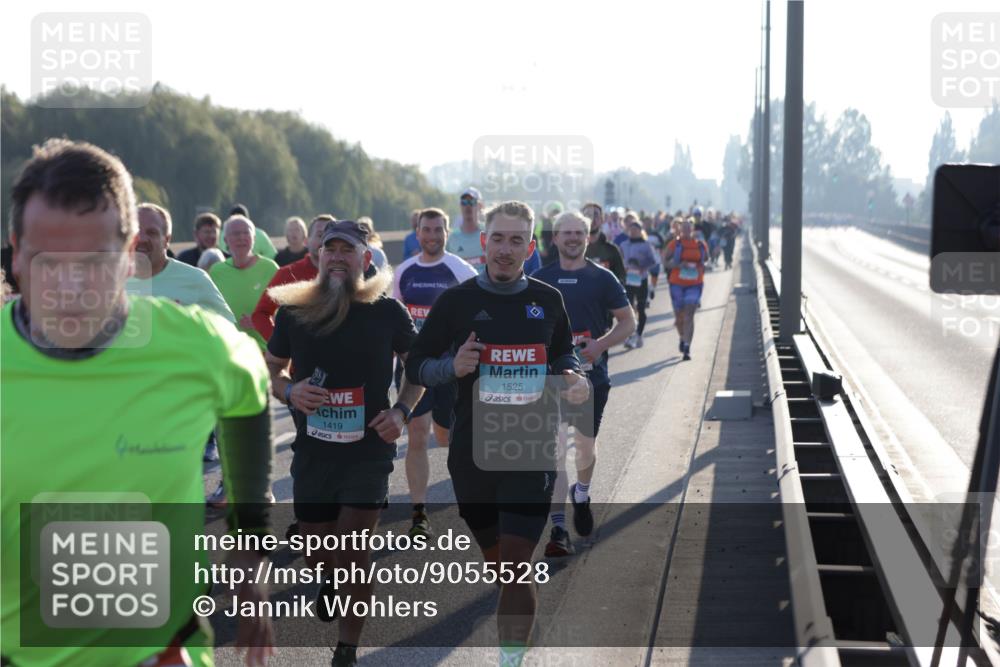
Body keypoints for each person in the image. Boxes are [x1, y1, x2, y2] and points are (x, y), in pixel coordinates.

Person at [1, 138, 275, 667]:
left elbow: (250, 388)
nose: (70, 285)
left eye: (94, 262)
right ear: (14, 251)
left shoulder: (196, 345)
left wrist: (248, 553)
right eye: (46, 261)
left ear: (130, 256)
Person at [407, 200, 589, 667]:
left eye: (516, 241)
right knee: (503, 571)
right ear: (483, 243)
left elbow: (563, 352)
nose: (506, 250)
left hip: (530, 450)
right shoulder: (457, 301)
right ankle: (519, 636)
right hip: (471, 457)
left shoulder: (548, 300)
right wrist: (453, 366)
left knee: (514, 565)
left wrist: (573, 375)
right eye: (498, 239)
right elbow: (416, 365)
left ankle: (511, 659)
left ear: (530, 248)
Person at [264, 219, 424, 667]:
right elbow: (272, 368)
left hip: (368, 449)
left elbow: (418, 369)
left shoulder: (387, 312)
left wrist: (401, 412)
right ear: (318, 257)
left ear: (365, 259)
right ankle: (328, 575)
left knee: (356, 549)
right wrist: (290, 391)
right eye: (329, 249)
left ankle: (346, 647)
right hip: (313, 453)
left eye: (346, 250)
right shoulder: (294, 312)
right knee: (319, 548)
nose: (336, 257)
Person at [533, 211, 635, 556]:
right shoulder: (540, 278)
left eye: (580, 232)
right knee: (556, 449)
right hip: (552, 380)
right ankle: (558, 528)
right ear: (556, 238)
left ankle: (583, 492)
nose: (573, 238)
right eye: (566, 233)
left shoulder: (602, 278)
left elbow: (627, 322)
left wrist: (599, 346)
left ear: (589, 236)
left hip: (593, 378)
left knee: (585, 447)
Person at [392, 208, 477, 537]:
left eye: (437, 230)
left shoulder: (460, 269)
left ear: (447, 233)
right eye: (426, 229)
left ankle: (466, 488)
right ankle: (419, 513)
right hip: (414, 367)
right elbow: (396, 321)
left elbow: (477, 310)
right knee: (416, 435)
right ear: (418, 231)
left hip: (451, 369)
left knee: (444, 437)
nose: (431, 235)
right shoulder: (404, 272)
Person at [128, 203, 234, 322]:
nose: (141, 238)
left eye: (152, 233)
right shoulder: (108, 281)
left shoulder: (196, 280)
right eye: (135, 232)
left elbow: (229, 331)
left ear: (166, 240)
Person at [251, 214, 329, 342]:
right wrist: (281, 346)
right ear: (307, 240)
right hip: (300, 359)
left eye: (330, 236)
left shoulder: (347, 274)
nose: (325, 241)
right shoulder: (288, 273)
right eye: (320, 235)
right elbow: (261, 314)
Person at [209, 215, 279, 351]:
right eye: (235, 233)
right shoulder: (216, 271)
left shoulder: (271, 269)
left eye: (246, 232)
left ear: (253, 238)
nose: (241, 237)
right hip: (227, 352)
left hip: (264, 352)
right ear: (225, 240)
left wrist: (261, 323)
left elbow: (287, 315)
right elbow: (209, 311)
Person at [664, 218, 709, 361]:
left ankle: (687, 347)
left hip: (695, 283)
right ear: (680, 229)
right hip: (677, 283)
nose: (686, 231)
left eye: (688, 228)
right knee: (679, 317)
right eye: (683, 228)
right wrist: (678, 265)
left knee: (690, 313)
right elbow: (665, 261)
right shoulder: (675, 244)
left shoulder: (700, 244)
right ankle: (683, 338)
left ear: (693, 229)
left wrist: (699, 265)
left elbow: (705, 260)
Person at [619, 215, 659, 349]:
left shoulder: (646, 245)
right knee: (629, 308)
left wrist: (642, 266)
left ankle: (639, 334)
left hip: (641, 279)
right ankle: (631, 335)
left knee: (641, 308)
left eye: (636, 229)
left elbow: (653, 261)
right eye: (631, 229)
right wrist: (623, 267)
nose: (633, 231)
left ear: (640, 231)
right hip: (628, 279)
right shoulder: (624, 244)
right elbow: (620, 260)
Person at [582, 202, 626, 285]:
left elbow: (621, 278)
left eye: (595, 214)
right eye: (588, 215)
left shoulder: (612, 250)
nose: (592, 218)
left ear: (602, 220)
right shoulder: (573, 249)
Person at [446, 187, 486, 271]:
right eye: (464, 202)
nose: (467, 206)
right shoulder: (452, 237)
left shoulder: (489, 233)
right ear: (460, 206)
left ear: (480, 206)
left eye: (472, 202)